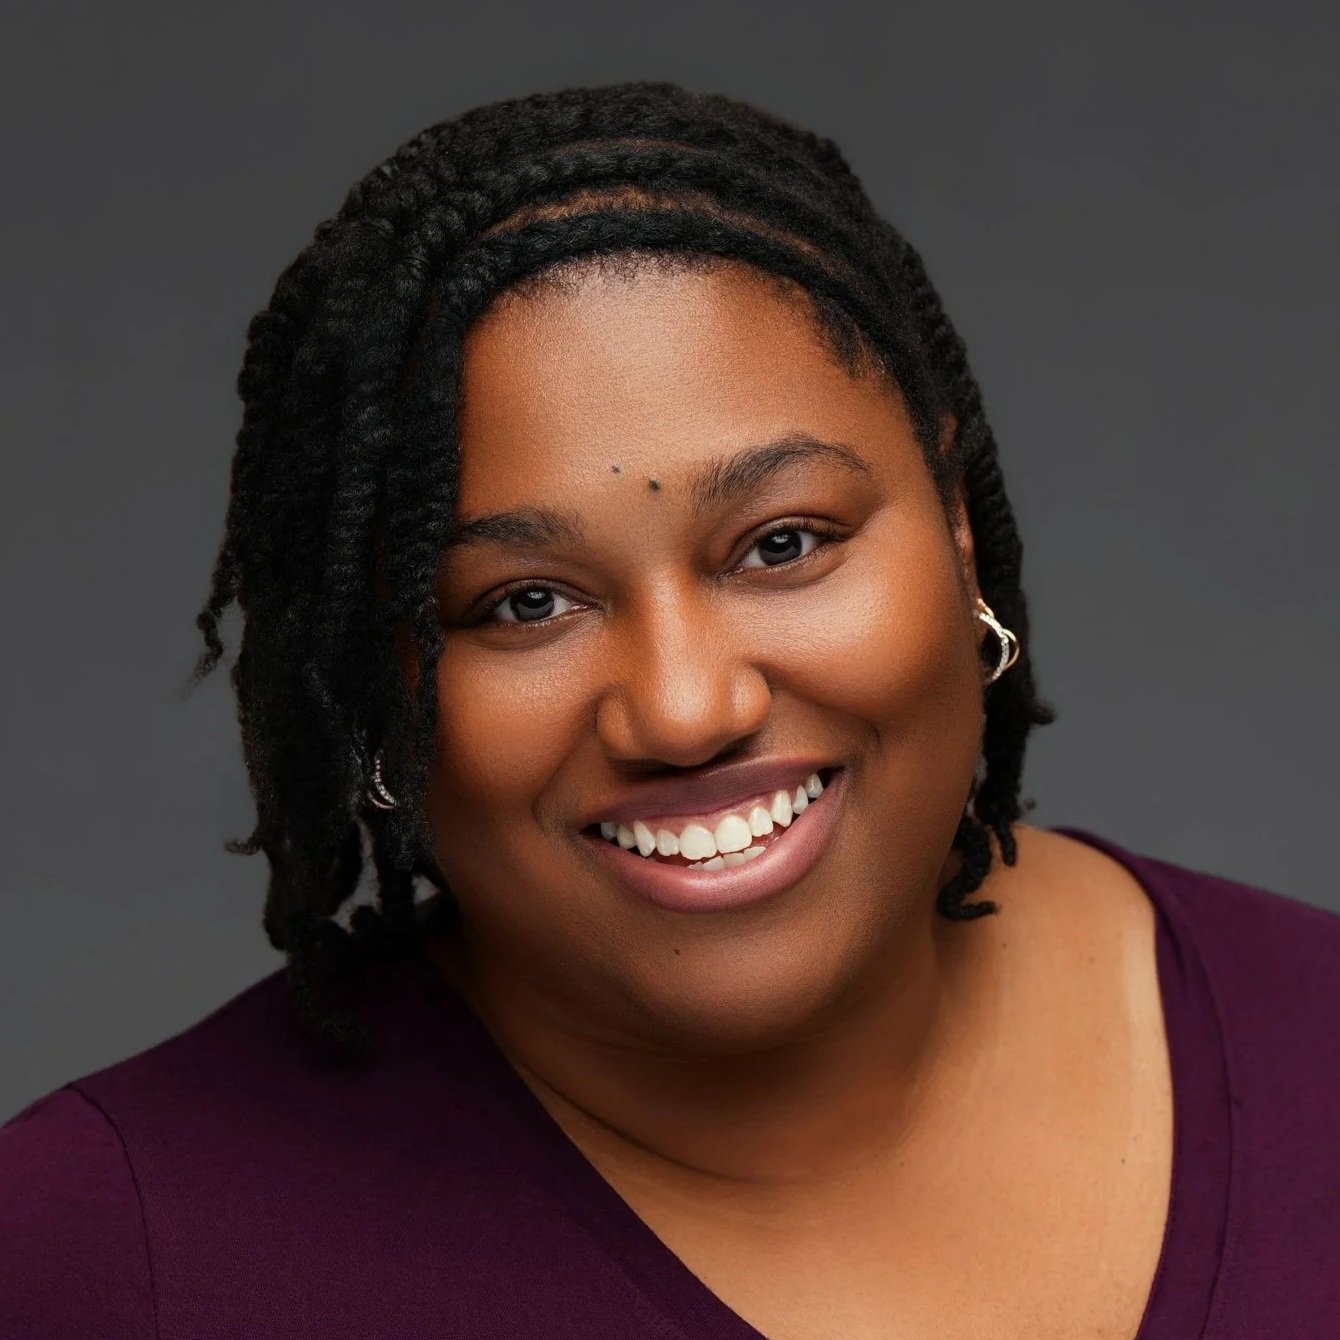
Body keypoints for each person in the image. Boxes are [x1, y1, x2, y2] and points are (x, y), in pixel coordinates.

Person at [2, 79, 1337, 1339]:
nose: (688, 709)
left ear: (958, 534)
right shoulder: (117, 1259)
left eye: (781, 543)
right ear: (380, 681)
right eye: (524, 603)